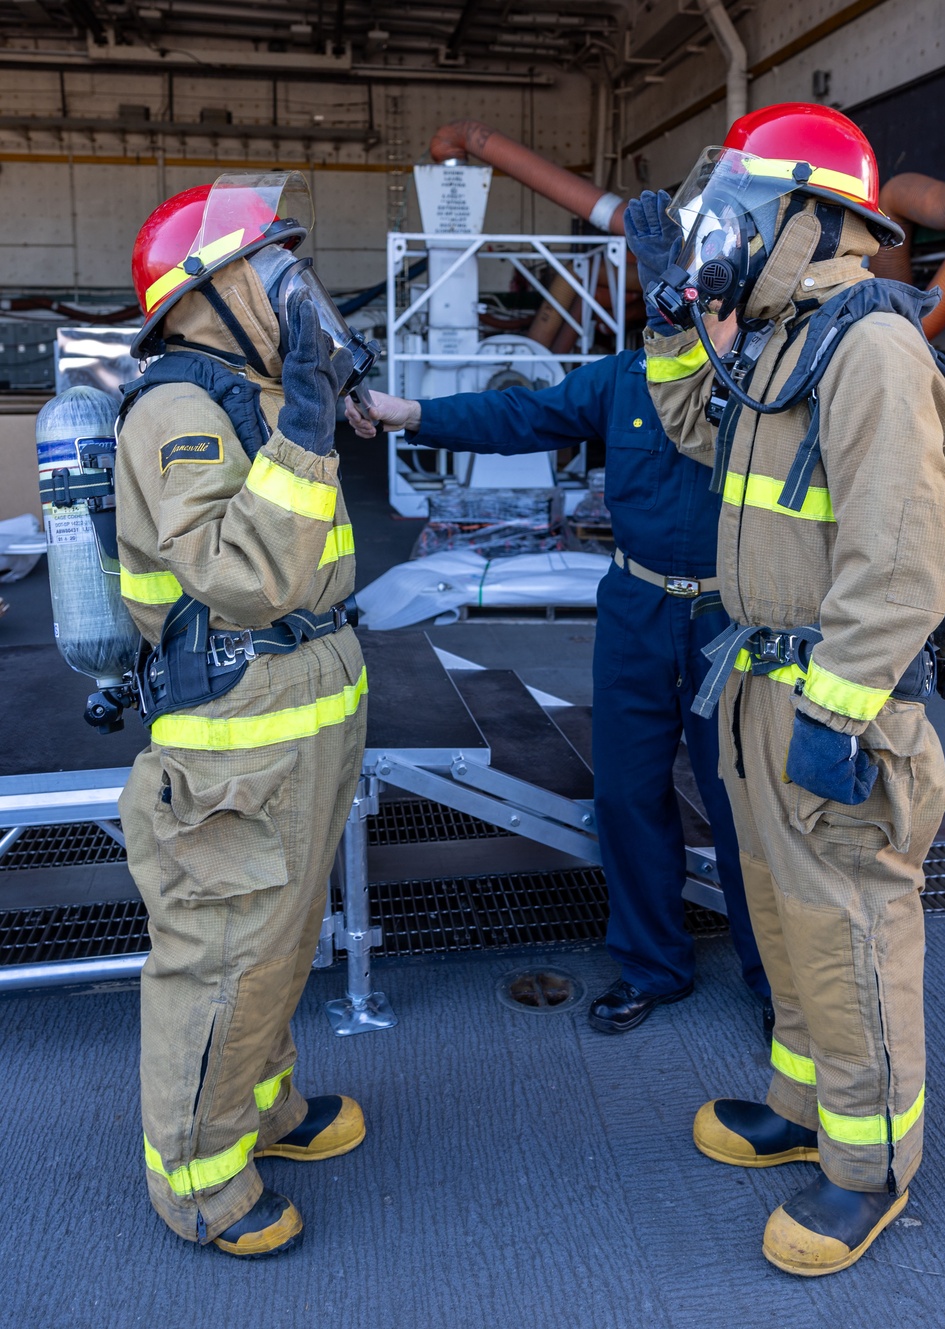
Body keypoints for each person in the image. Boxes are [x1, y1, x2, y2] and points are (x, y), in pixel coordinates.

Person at [630, 103, 945, 1275]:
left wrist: (837, 711)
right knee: (780, 913)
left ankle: (866, 1170)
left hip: (834, 699)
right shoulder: (783, 342)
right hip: (760, 685)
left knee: (852, 933)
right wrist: (677, 315)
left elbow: (902, 561)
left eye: (741, 215)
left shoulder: (869, 348)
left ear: (810, 222)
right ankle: (802, 1103)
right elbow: (692, 429)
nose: (723, 234)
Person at [345, 314, 771, 1035]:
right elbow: (523, 414)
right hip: (636, 608)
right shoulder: (623, 379)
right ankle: (652, 967)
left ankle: (774, 981)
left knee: (742, 804)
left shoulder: (765, 386)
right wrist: (409, 413)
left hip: (727, 618)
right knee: (627, 794)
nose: (682, 312)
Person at [116, 172, 373, 1257]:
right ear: (203, 294)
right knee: (222, 950)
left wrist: (307, 409)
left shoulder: (251, 391)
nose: (295, 288)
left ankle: (259, 1110)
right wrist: (310, 425)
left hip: (302, 707)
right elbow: (241, 577)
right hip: (238, 725)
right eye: (272, 268)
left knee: (277, 937)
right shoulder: (181, 408)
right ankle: (200, 1180)